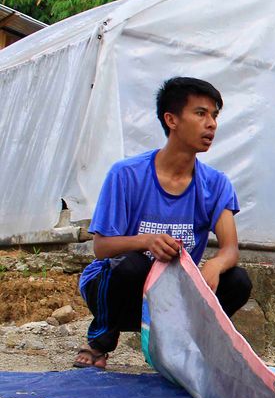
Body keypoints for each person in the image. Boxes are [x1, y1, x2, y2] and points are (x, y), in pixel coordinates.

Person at [73, 77, 252, 369]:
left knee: (238, 280)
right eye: (200, 113)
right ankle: (100, 342)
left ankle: (189, 347)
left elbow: (230, 250)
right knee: (131, 264)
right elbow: (101, 248)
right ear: (171, 120)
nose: (212, 124)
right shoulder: (126, 174)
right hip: (121, 292)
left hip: (173, 295)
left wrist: (215, 265)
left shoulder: (217, 185)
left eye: (215, 115)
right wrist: (146, 241)